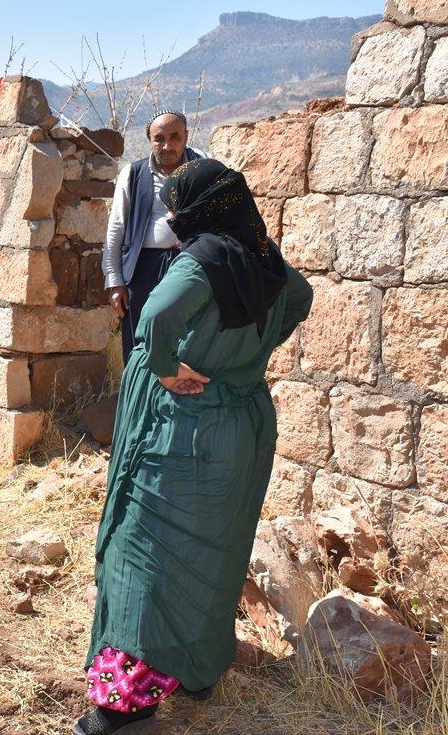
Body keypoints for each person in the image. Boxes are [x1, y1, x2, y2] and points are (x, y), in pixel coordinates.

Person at [78, 159, 313, 735]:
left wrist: (166, 367)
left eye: (180, 204)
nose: (175, 215)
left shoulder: (203, 261)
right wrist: (246, 360)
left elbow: (155, 314)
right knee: (213, 551)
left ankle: (123, 707)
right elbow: (301, 298)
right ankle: (195, 671)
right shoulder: (266, 263)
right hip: (242, 428)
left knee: (142, 551)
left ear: (201, 209)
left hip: (184, 427)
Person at [102, 110, 208, 363]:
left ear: (186, 137)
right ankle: (138, 400)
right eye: (159, 138)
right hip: (143, 270)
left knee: (187, 342)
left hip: (191, 265)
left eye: (175, 137)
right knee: (140, 340)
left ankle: (178, 401)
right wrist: (115, 282)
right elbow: (116, 228)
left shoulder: (204, 168)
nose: (167, 145)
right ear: (150, 140)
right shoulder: (133, 173)